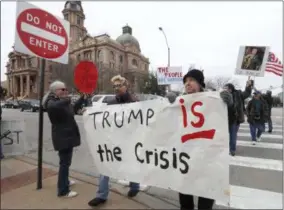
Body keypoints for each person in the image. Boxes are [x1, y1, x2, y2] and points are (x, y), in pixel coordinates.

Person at [166, 69, 233, 210]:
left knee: (205, 201)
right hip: (185, 158)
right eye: (185, 81)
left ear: (200, 83)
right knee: (185, 201)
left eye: (191, 80)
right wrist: (169, 104)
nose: (187, 83)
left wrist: (229, 106)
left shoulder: (214, 99)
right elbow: (168, 124)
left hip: (207, 158)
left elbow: (227, 123)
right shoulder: (180, 102)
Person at [88, 75, 140, 207]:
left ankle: (134, 186)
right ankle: (101, 195)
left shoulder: (134, 101)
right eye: (115, 86)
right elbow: (104, 119)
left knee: (130, 164)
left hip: (128, 140)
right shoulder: (111, 102)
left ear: (126, 86)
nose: (117, 88)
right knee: (105, 167)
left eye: (119, 85)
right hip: (112, 140)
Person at [43, 80, 86, 198]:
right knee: (64, 163)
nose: (66, 91)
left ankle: (65, 182)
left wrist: (82, 98)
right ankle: (63, 190)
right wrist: (67, 99)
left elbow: (73, 109)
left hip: (68, 136)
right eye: (63, 89)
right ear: (55, 91)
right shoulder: (51, 102)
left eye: (66, 89)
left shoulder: (61, 102)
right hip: (62, 137)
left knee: (66, 162)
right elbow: (54, 107)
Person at [223, 81, 253, 156]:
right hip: (224, 119)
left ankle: (232, 150)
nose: (225, 90)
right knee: (225, 135)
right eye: (224, 88)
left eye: (227, 88)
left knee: (233, 135)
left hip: (235, 119)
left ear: (231, 89)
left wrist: (248, 86)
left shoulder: (238, 94)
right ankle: (225, 148)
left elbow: (246, 93)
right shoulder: (222, 95)